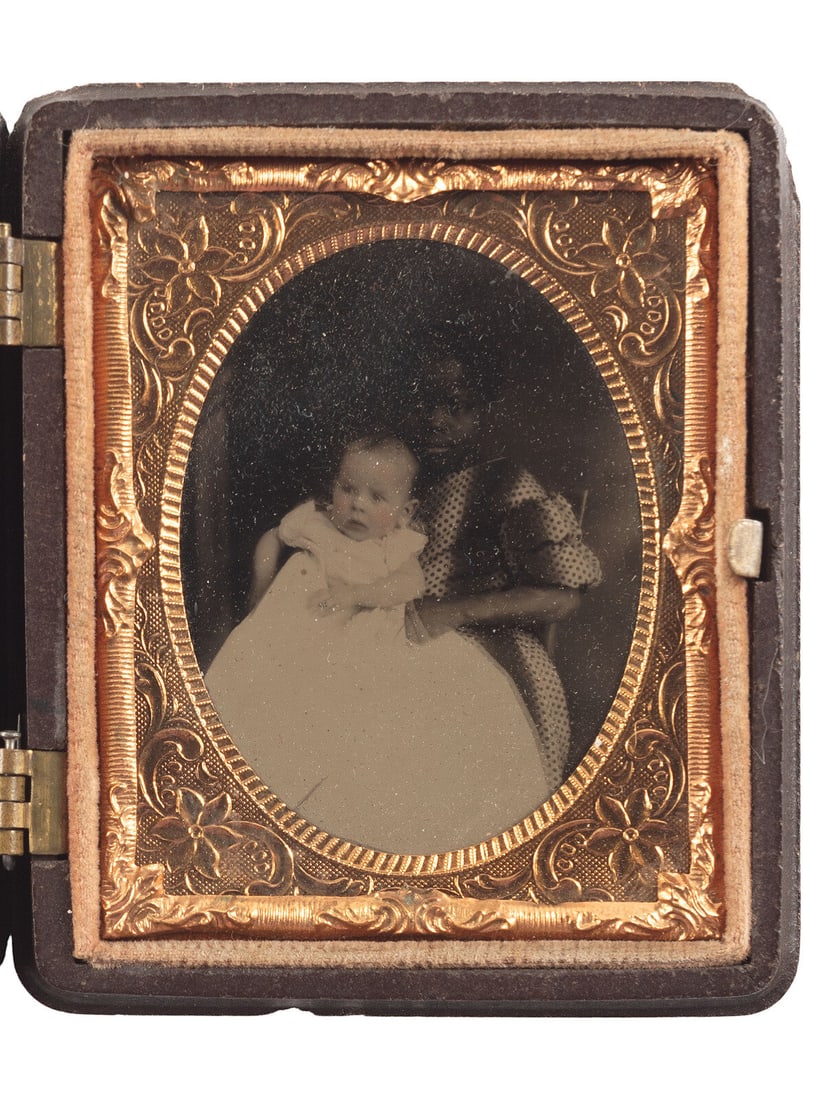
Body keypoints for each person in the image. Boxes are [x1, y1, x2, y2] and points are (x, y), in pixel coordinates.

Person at [206, 435, 549, 853]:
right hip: (296, 625)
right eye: (347, 489)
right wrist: (259, 592)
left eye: (376, 497)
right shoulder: (315, 523)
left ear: (406, 512)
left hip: (361, 634)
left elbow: (410, 585)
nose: (358, 505)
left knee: (364, 704)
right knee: (256, 682)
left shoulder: (396, 545)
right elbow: (271, 539)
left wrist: (357, 594)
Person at [405, 354, 602, 790]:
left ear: (483, 410)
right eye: (422, 401)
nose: (436, 419)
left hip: (493, 657)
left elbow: (561, 597)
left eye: (456, 405)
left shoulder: (504, 482)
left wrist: (453, 612)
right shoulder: (387, 481)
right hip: (402, 651)